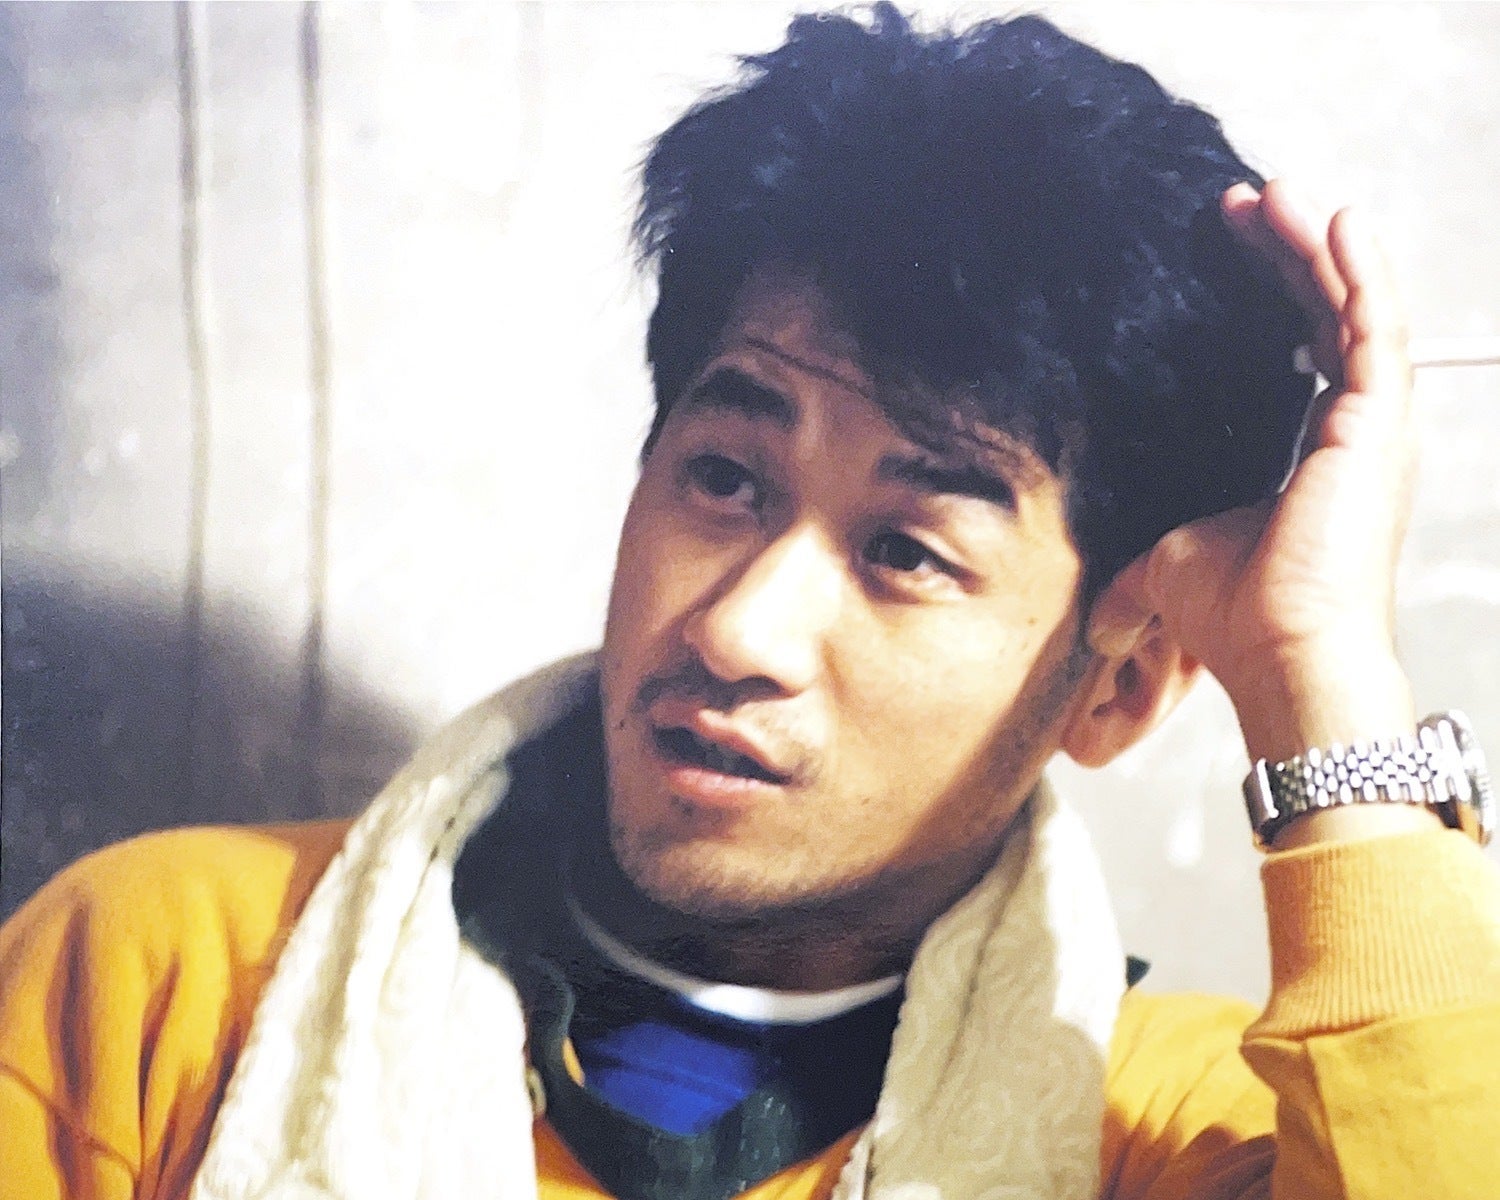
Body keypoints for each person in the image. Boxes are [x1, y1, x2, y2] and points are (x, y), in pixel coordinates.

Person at [4, 5, 1499, 1198]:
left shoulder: (1159, 1127)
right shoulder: (170, 981)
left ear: (1114, 688)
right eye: (725, 477)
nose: (735, 631)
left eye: (906, 551)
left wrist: (1318, 665)